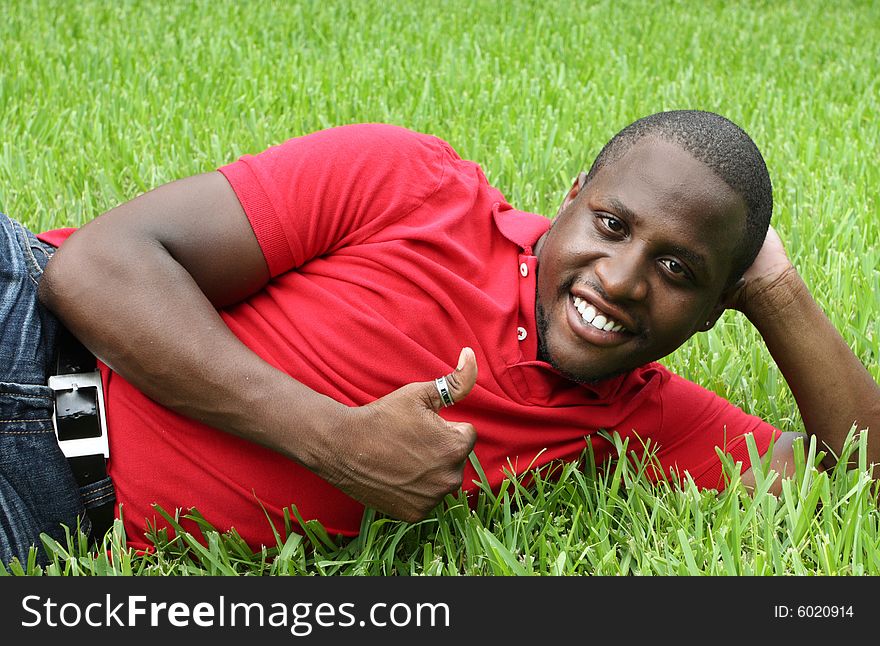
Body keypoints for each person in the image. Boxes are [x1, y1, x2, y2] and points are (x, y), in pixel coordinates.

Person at [2, 110, 877, 567]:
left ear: (716, 308)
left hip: (42, 514)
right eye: (611, 223)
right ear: (571, 196)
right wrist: (332, 441)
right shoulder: (410, 186)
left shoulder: (635, 418)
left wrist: (777, 290)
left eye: (680, 273)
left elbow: (856, 479)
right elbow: (95, 269)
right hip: (29, 326)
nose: (620, 278)